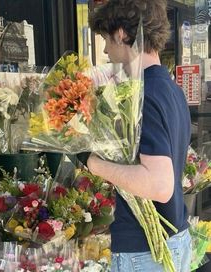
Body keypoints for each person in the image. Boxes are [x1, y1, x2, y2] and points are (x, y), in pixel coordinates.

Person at [87, 0, 192, 271]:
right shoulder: (171, 89)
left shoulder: (144, 94)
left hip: (146, 253)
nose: (105, 49)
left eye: (106, 39)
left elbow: (159, 185)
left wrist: (96, 165)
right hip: (173, 237)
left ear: (122, 33)